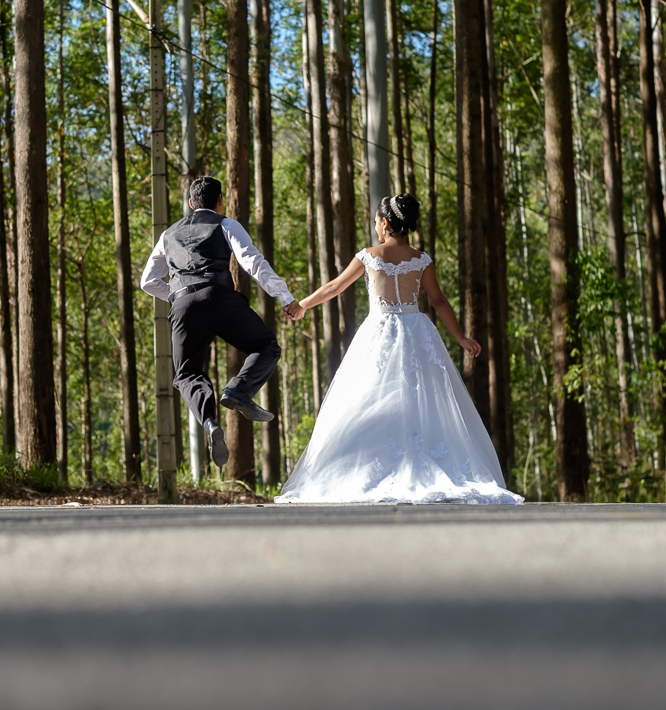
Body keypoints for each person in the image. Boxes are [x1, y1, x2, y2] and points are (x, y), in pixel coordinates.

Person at [278, 194, 523, 504]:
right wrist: (461, 338)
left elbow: (335, 287)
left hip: (378, 332)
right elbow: (438, 301)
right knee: (422, 401)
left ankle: (374, 464)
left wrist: (302, 305)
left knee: (368, 398)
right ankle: (420, 460)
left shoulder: (369, 256)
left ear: (384, 223)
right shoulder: (422, 260)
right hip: (417, 331)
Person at [140, 177, 303, 468]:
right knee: (266, 346)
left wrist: (176, 296)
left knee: (187, 373)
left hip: (182, 305)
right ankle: (238, 390)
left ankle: (210, 421)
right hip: (220, 297)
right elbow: (253, 262)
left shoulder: (167, 235)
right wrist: (285, 297)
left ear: (191, 203)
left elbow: (148, 281)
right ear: (220, 201)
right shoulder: (226, 224)